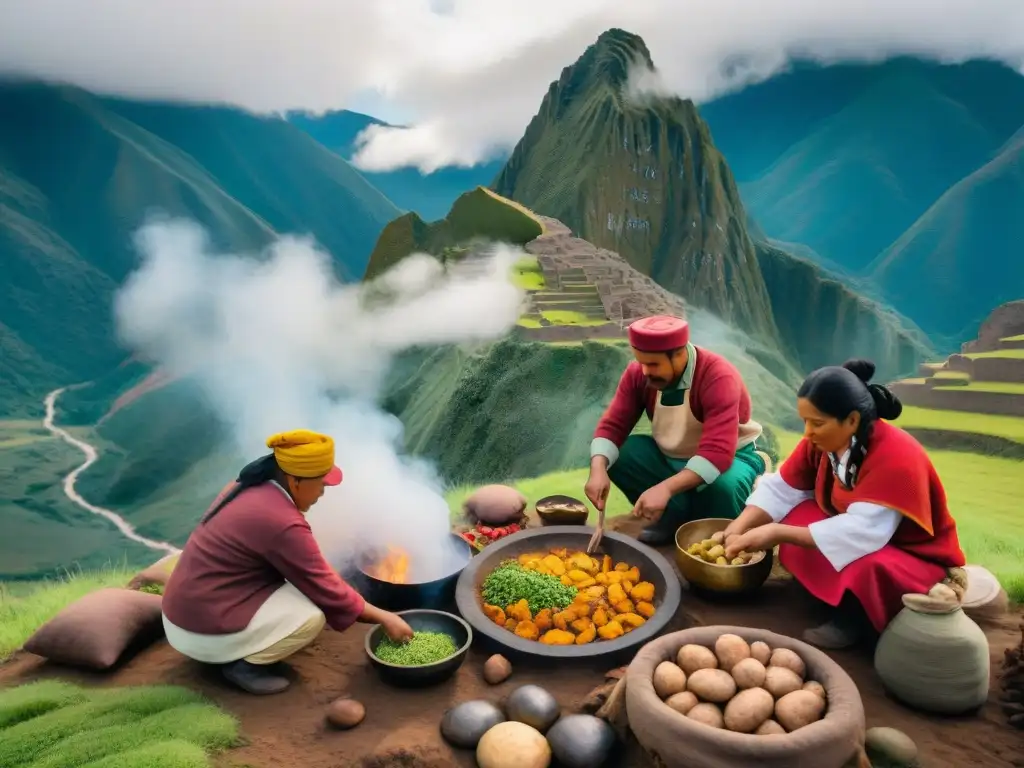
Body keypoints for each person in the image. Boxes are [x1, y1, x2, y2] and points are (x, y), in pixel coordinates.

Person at [723, 359, 967, 649]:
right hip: (859, 530)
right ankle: (821, 591)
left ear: (851, 420)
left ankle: (854, 620)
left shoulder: (896, 458)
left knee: (865, 564)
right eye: (805, 422)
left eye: (817, 423)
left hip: (908, 554)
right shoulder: (822, 441)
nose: (808, 432)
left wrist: (775, 533)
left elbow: (864, 532)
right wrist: (737, 526)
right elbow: (784, 488)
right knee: (793, 514)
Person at [162, 429, 414, 695]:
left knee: (308, 589)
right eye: (320, 484)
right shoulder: (280, 521)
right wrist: (386, 619)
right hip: (201, 632)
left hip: (187, 611)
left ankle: (238, 646)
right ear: (295, 481)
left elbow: (311, 570)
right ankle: (243, 665)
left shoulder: (247, 486)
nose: (322, 493)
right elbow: (327, 590)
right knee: (311, 616)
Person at [584, 315, 768, 547]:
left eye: (653, 364)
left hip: (732, 458)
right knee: (621, 453)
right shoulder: (638, 374)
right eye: (641, 362)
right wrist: (598, 468)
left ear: (679, 354)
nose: (645, 371)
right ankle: (672, 518)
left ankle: (720, 532)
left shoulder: (718, 376)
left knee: (724, 488)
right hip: (671, 458)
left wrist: (665, 488)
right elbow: (613, 425)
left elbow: (717, 452)